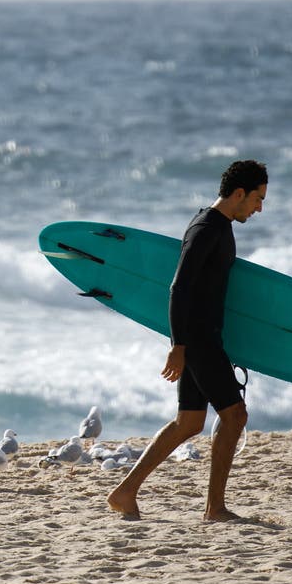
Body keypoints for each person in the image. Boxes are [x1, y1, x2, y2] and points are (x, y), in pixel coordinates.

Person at [107, 159, 267, 522]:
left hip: (201, 337)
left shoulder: (216, 225)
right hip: (198, 339)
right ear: (238, 193)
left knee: (190, 422)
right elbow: (180, 287)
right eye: (257, 199)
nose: (259, 208)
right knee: (235, 415)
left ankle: (125, 491)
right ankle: (215, 508)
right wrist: (179, 347)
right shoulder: (207, 228)